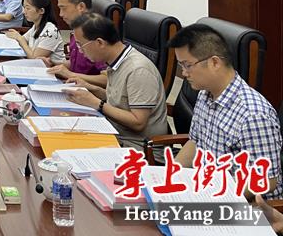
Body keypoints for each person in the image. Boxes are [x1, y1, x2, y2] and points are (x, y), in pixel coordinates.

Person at [169, 24, 282, 197]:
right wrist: (170, 175)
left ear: (214, 62)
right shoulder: (205, 93)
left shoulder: (253, 115)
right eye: (181, 65)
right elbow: (195, 142)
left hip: (248, 204)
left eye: (187, 65)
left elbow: (265, 180)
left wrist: (211, 197)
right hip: (208, 188)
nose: (183, 73)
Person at [62, 12, 167, 151]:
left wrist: (96, 103)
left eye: (81, 45)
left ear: (100, 43)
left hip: (138, 148)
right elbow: (121, 101)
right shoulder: (115, 61)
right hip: (116, 133)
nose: (80, 51)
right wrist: (92, 89)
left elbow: (138, 122)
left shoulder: (138, 70)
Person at [45, 0, 108, 88]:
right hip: (73, 86)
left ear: (81, 7)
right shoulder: (77, 30)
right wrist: (54, 64)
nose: (60, 14)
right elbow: (76, 64)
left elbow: (108, 79)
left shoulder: (96, 35)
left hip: (89, 92)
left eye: (63, 8)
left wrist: (71, 75)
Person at [5, 0, 65, 64]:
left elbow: (34, 59)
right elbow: (22, 40)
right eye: (24, 7)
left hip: (52, 70)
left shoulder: (51, 32)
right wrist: (17, 38)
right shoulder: (36, 26)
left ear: (41, 11)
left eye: (28, 8)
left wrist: (20, 38)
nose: (24, 12)